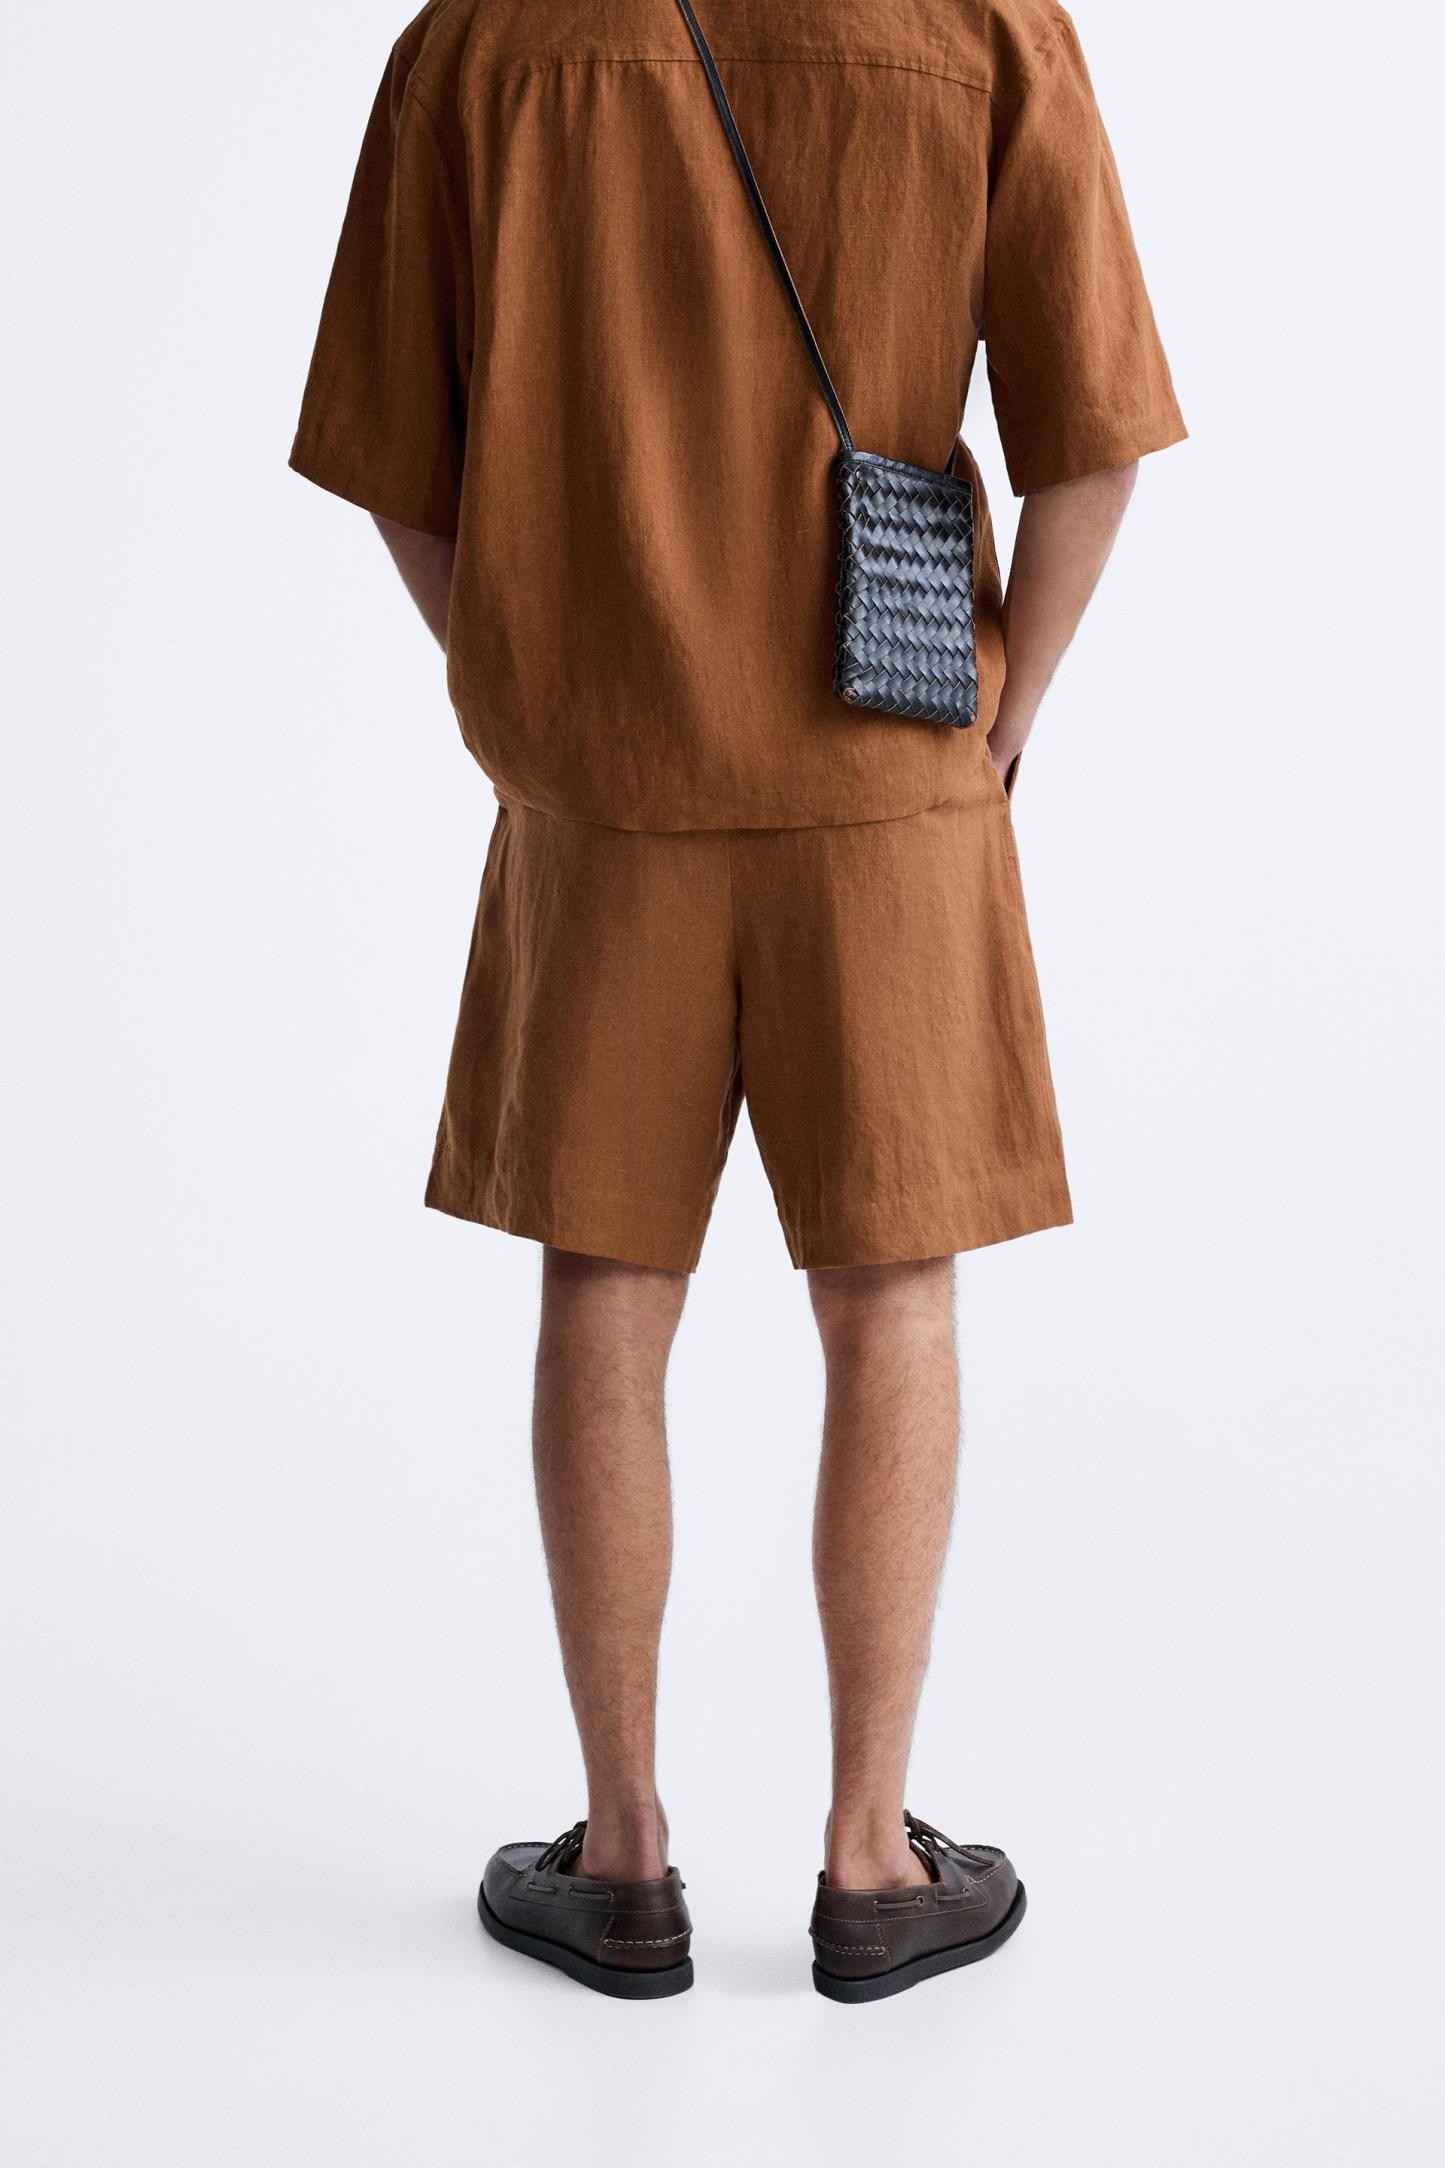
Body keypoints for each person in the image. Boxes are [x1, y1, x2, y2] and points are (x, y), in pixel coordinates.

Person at [290, 0, 1184, 2003]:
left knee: (605, 1283)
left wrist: (533, 688)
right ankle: (871, 1865)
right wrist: (1001, 720)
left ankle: (621, 1864)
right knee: (894, 1295)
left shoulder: (482, 40)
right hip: (891, 773)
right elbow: (1098, 435)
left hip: (603, 787)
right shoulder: (978, 21)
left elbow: (392, 462)